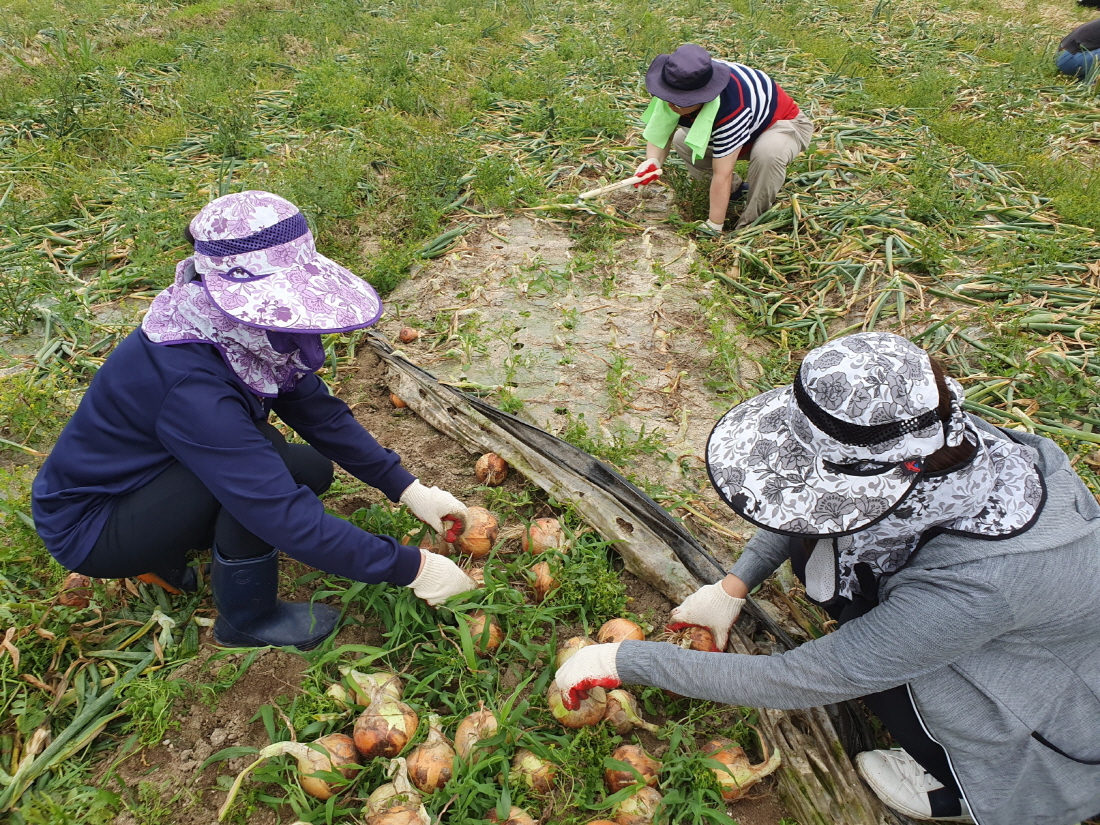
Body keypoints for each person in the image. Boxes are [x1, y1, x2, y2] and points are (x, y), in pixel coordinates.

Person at [556, 332, 1100, 825]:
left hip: (1057, 708)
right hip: (986, 625)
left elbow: (805, 678)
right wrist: (733, 586)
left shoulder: (981, 580)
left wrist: (627, 661)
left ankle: (959, 783)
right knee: (820, 561)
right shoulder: (936, 438)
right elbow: (810, 511)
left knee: (888, 678)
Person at [32, 191, 478, 650]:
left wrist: (408, 488)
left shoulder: (234, 329)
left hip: (151, 476)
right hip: (93, 524)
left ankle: (174, 545)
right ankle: (248, 618)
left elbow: (316, 411)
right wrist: (414, 569)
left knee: (309, 469)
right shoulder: (189, 382)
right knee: (265, 475)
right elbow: (281, 513)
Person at [632, 43, 814, 234]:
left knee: (767, 153)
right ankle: (736, 193)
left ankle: (750, 224)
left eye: (679, 101)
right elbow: (661, 132)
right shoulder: (677, 82)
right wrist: (653, 161)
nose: (671, 105)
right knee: (682, 141)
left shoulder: (733, 107)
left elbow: (722, 173)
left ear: (702, 97)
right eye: (668, 97)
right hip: (746, 128)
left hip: (781, 125)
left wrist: (714, 224)